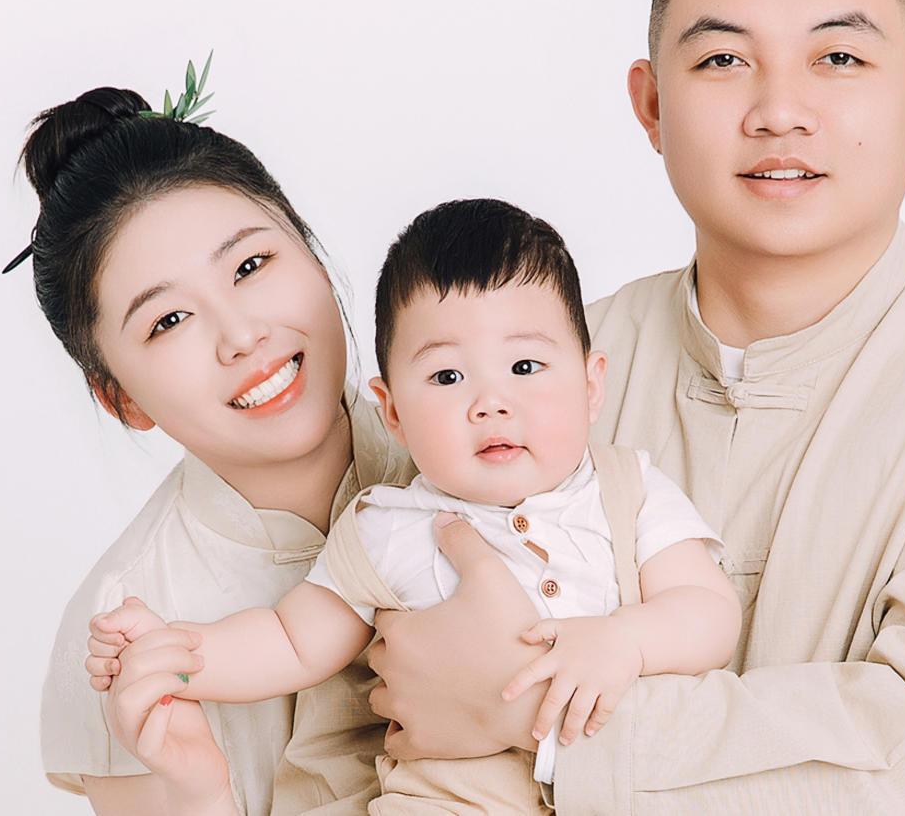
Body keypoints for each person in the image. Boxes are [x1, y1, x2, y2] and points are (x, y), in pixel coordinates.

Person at [363, 0, 905, 813]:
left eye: (839, 56)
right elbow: (372, 710)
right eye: (723, 59)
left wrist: (528, 714)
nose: (779, 110)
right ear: (652, 104)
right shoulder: (520, 374)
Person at [87, 198, 740, 815]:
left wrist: (625, 639)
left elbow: (709, 611)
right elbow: (291, 640)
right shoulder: (387, 527)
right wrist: (177, 653)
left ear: (592, 385)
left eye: (525, 367)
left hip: (621, 788)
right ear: (394, 410)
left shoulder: (630, 490)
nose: (491, 403)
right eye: (448, 377)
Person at [18, 83, 416, 816]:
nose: (241, 335)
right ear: (121, 398)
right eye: (169, 320)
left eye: (250, 266)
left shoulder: (488, 443)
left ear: (312, 254)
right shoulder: (120, 637)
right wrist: (199, 794)